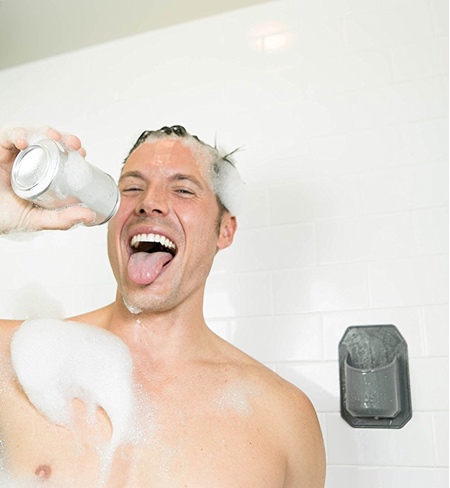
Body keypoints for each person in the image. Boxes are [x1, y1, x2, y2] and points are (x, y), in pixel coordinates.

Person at [0, 125, 326, 487]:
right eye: (132, 188)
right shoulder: (14, 360)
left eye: (183, 189)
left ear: (225, 230)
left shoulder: (284, 418)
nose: (148, 202)